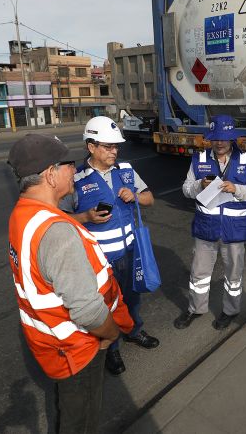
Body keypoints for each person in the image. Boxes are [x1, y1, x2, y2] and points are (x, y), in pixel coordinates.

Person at [6, 133, 134, 433]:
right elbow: (88, 311)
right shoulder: (57, 231)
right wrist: (111, 333)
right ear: (51, 174)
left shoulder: (23, 215)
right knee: (81, 421)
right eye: (69, 164)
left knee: (67, 412)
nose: (75, 171)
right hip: (78, 349)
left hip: (51, 345)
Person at [60, 116, 159, 376]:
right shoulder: (76, 179)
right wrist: (85, 217)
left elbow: (150, 199)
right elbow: (59, 220)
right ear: (91, 147)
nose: (114, 151)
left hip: (129, 253)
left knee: (132, 298)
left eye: (116, 146)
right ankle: (111, 348)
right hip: (99, 261)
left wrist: (135, 196)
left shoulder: (126, 170)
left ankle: (135, 331)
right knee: (106, 306)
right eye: (108, 146)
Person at [173, 114, 246, 330]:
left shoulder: (245, 161)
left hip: (234, 230)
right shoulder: (199, 160)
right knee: (199, 274)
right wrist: (199, 186)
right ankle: (196, 308)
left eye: (224, 138)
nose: (219, 143)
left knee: (233, 275)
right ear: (210, 139)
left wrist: (237, 189)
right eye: (215, 139)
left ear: (231, 139)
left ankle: (230, 311)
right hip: (206, 228)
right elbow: (186, 189)